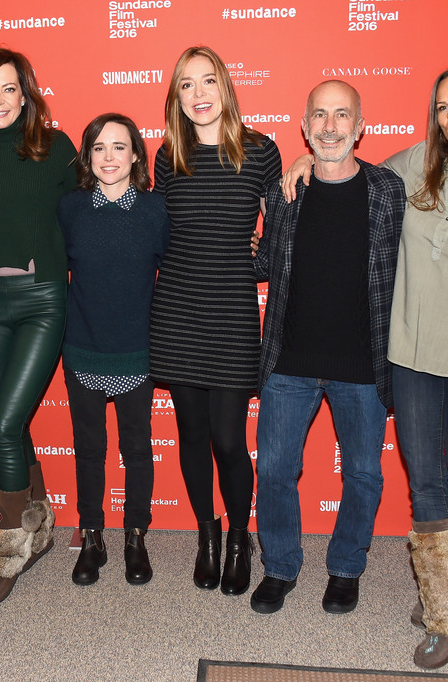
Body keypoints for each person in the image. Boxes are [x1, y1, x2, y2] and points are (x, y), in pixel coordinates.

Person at [282, 62, 448, 668]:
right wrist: (301, 166)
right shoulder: (413, 166)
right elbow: (343, 168)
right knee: (426, 478)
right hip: (412, 352)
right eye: (443, 106)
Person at [250, 81, 405, 616]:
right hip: (288, 362)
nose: (331, 126)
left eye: (343, 115)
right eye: (320, 114)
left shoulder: (389, 190)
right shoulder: (284, 193)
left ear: (361, 128)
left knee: (363, 473)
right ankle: (280, 567)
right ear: (305, 125)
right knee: (272, 471)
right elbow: (266, 262)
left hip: (363, 365)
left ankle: (345, 569)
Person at [149, 46, 281, 596]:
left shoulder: (260, 152)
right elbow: (157, 236)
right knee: (192, 435)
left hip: (230, 313)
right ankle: (206, 537)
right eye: (186, 85)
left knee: (229, 439)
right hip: (177, 309)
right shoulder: (167, 155)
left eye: (207, 82)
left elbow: (282, 230)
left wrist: (252, 263)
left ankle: (237, 539)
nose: (199, 95)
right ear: (176, 96)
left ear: (225, 87)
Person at [0, 47, 77, 606]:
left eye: (8, 88)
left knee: (2, 425)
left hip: (42, 299)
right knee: (15, 419)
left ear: (25, 93)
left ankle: (3, 550)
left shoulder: (55, 148)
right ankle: (40, 522)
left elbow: (92, 212)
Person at [57, 113, 170, 586]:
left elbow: (176, 275)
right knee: (89, 450)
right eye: (99, 148)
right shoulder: (70, 209)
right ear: (87, 157)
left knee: (137, 449)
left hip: (137, 352)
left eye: (119, 147)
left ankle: (135, 537)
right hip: (82, 349)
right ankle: (91, 537)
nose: (109, 157)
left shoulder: (155, 210)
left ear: (136, 156)